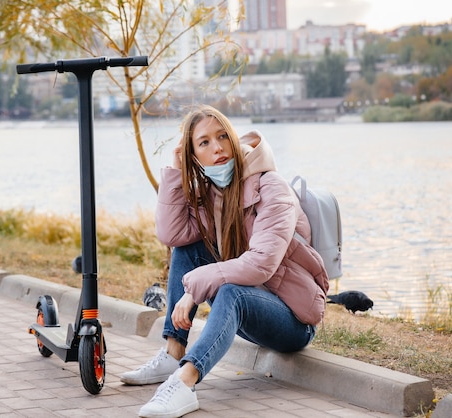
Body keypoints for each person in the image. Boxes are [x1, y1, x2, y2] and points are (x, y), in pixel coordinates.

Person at [121, 105, 329, 418]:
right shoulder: (212, 192)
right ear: (194, 156)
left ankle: (184, 382)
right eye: (203, 143)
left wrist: (195, 289)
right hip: (251, 306)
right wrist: (177, 172)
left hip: (293, 320)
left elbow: (261, 264)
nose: (217, 148)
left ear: (232, 139)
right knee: (186, 250)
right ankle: (172, 352)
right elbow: (172, 234)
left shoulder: (273, 188)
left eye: (222, 137)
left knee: (232, 292)